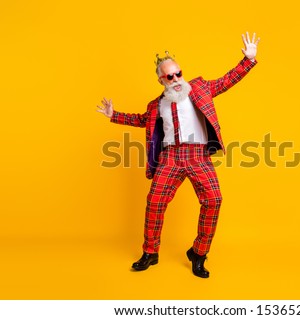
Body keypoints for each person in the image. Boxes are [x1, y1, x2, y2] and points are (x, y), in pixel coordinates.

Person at [97, 32, 260, 278]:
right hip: (171, 156)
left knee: (214, 200)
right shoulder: (156, 105)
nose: (175, 79)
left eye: (178, 73)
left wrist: (248, 60)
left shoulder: (201, 88)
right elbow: (141, 120)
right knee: (154, 202)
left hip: (198, 155)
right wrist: (114, 115)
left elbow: (227, 80)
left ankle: (199, 253)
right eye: (169, 76)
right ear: (161, 80)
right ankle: (150, 252)